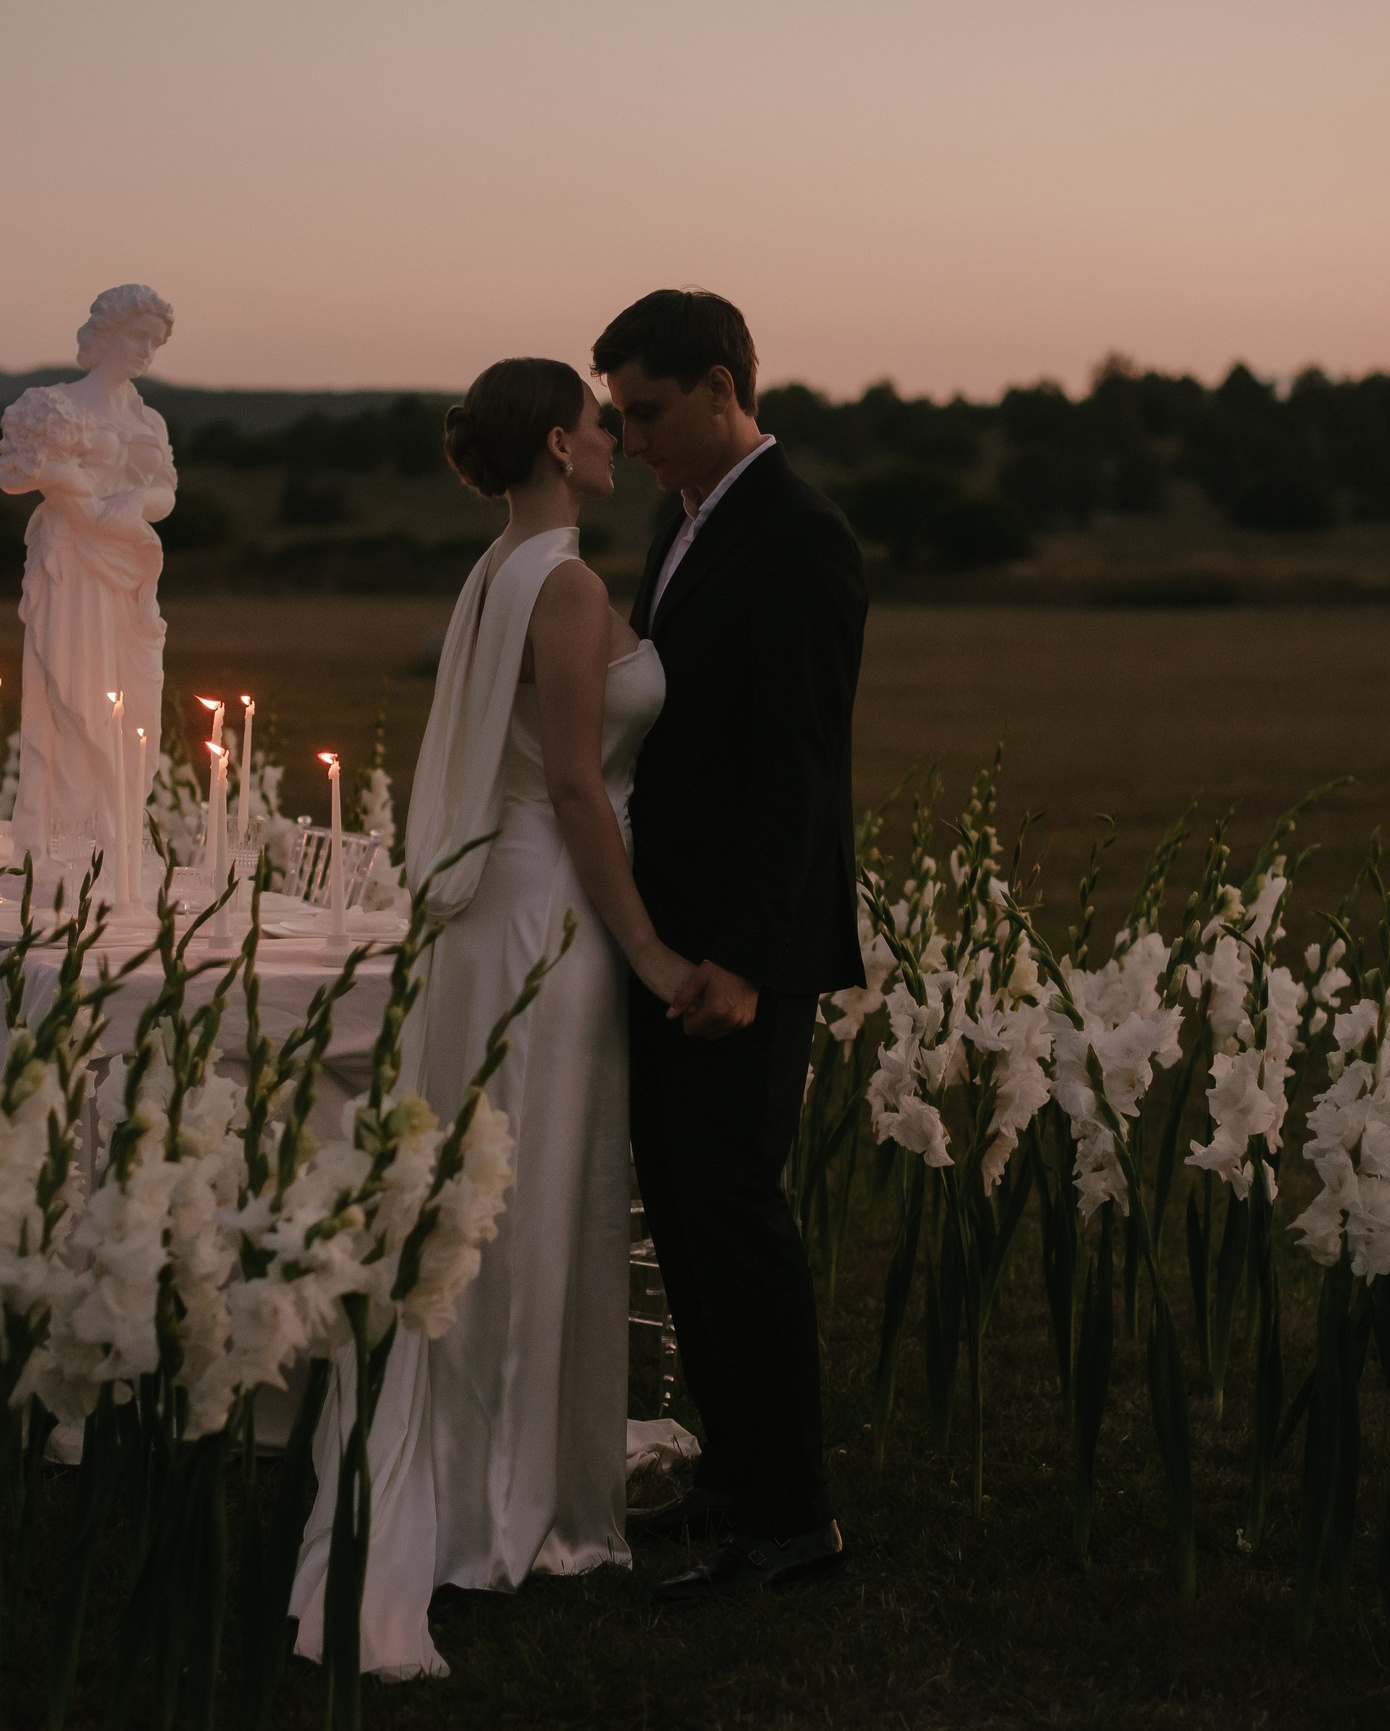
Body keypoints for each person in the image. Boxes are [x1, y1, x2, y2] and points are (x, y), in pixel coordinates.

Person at [289, 357, 687, 1678]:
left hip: (488, 911)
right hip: (545, 914)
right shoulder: (562, 586)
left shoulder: (492, 571)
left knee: (492, 1182)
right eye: (598, 425)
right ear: (558, 445)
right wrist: (649, 948)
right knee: (533, 1185)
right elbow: (574, 786)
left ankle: (502, 1468)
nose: (614, 440)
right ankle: (514, 1501)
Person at [597, 288, 867, 1600]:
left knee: (736, 1214)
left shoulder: (800, 536)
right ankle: (733, 1473)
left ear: (720, 387)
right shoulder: (684, 518)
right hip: (671, 932)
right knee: (687, 1210)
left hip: (740, 949)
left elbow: (794, 766)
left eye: (648, 411)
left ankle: (793, 1519)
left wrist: (748, 957)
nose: (630, 438)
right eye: (617, 416)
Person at [0, 284, 178, 865]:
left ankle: (117, 835)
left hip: (128, 567)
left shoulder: (149, 418)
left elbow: (167, 492)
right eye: (137, 336)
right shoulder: (55, 404)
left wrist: (136, 502)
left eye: (155, 342)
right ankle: (68, 840)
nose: (146, 351)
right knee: (73, 693)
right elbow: (12, 475)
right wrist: (62, 482)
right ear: (105, 335)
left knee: (135, 699)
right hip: (73, 565)